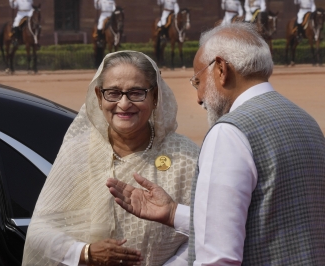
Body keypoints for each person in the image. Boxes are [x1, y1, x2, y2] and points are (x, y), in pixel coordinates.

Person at [107, 22, 325, 265]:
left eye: (198, 82)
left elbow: (219, 258)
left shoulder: (230, 132)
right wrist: (172, 213)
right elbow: (275, 220)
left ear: (221, 69)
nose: (199, 98)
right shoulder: (305, 120)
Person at [22, 50, 200, 266]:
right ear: (98, 96)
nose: (124, 104)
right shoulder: (78, 151)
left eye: (136, 93)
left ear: (155, 97)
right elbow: (40, 231)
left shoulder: (185, 155)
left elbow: (206, 231)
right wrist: (85, 253)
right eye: (113, 93)